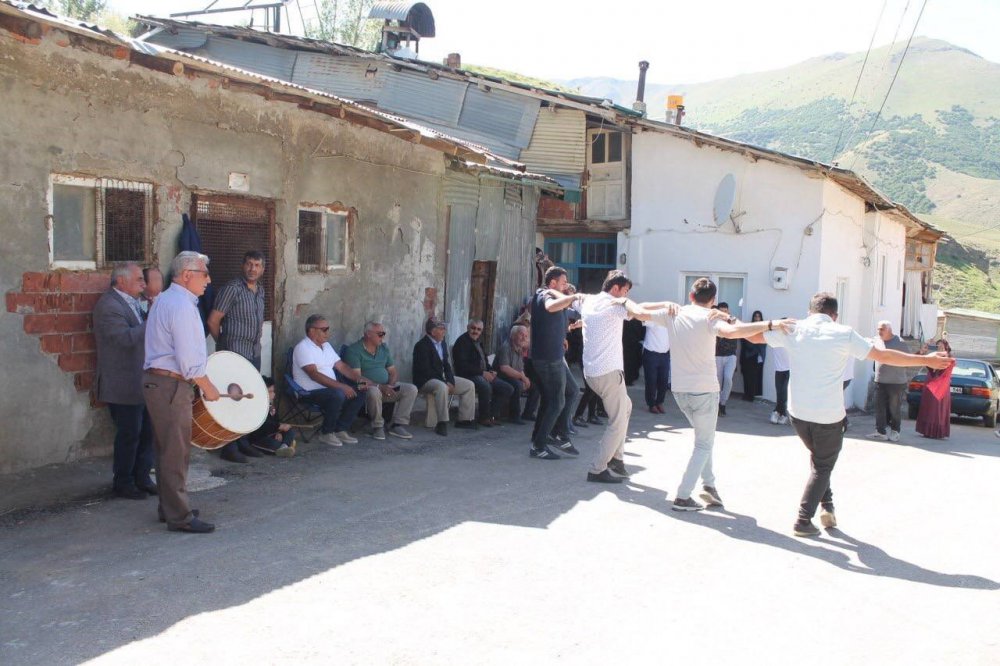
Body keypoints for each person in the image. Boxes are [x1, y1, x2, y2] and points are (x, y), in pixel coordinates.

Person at [755, 292, 952, 536]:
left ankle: (828, 508)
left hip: (798, 414)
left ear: (810, 312)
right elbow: (884, 355)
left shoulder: (794, 329)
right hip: (827, 416)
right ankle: (803, 520)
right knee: (822, 466)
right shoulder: (843, 333)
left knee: (819, 460)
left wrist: (759, 324)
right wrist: (925, 359)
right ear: (834, 315)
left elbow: (755, 338)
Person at [651, 278, 790, 511]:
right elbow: (734, 332)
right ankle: (683, 496)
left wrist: (628, 302)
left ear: (691, 295)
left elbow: (639, 311)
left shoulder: (674, 313)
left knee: (704, 440)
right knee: (704, 444)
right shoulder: (710, 318)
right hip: (703, 391)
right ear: (713, 301)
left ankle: (709, 487)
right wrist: (770, 324)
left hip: (680, 391)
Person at [143, 251, 220, 534]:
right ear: (187, 275)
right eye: (204, 274)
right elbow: (189, 362)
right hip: (171, 384)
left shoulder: (167, 299)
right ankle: (180, 516)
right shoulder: (182, 306)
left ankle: (170, 508)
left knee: (167, 449)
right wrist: (209, 389)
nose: (208, 280)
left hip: (160, 382)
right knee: (175, 451)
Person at [579, 271, 667, 483]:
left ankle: (616, 458)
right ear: (615, 289)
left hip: (591, 372)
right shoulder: (614, 305)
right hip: (609, 373)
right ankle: (598, 468)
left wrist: (663, 304)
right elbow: (640, 312)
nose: (626, 295)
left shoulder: (591, 301)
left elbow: (640, 306)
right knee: (617, 422)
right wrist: (665, 309)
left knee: (625, 406)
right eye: (625, 291)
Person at [93, 262, 155, 500]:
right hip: (122, 382)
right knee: (130, 434)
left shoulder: (132, 302)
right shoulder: (109, 306)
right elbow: (124, 339)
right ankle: (123, 482)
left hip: (141, 380)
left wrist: (149, 313)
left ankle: (142, 477)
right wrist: (153, 321)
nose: (144, 283)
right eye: (139, 279)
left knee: (147, 432)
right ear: (121, 281)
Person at [207, 250, 266, 463]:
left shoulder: (260, 291)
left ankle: (243, 443)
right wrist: (222, 345)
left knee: (247, 400)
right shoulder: (232, 288)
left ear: (262, 269)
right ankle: (229, 448)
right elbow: (213, 320)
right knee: (232, 400)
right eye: (249, 264)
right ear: (243, 266)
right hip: (234, 355)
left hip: (253, 354)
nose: (252, 269)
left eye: (257, 265)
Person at [528, 267, 581, 460]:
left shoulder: (557, 297)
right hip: (547, 359)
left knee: (571, 391)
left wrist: (567, 331)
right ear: (552, 283)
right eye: (563, 282)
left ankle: (554, 434)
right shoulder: (545, 295)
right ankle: (540, 444)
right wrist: (574, 298)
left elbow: (555, 319)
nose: (566, 285)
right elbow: (550, 307)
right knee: (556, 401)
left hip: (555, 356)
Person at [292, 314, 366, 447]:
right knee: (337, 395)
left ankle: (340, 429)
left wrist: (360, 380)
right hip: (308, 393)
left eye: (328, 329)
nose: (328, 332)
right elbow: (313, 374)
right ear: (312, 330)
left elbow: (342, 366)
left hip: (330, 390)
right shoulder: (303, 347)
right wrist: (341, 387)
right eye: (324, 329)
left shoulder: (326, 346)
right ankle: (326, 433)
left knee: (361, 391)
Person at [342, 321, 417, 441]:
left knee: (411, 389)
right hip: (364, 388)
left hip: (386, 387)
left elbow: (393, 372)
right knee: (374, 391)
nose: (383, 337)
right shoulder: (354, 350)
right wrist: (380, 387)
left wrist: (390, 385)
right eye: (380, 334)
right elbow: (357, 379)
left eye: (383, 333)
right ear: (368, 334)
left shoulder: (383, 348)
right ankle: (377, 426)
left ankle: (397, 424)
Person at [412, 318, 477, 436]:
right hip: (426, 380)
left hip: (442, 379)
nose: (444, 331)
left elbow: (446, 365)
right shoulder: (421, 346)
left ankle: (465, 420)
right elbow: (426, 370)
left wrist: (451, 380)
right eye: (441, 329)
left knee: (469, 385)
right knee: (442, 387)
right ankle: (442, 422)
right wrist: (445, 382)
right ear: (432, 331)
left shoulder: (442, 343)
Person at [453, 319, 515, 427]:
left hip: (482, 373)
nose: (475, 331)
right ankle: (483, 417)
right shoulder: (462, 342)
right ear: (468, 328)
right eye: (473, 328)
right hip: (468, 375)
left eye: (478, 329)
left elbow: (484, 360)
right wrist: (482, 373)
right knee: (485, 386)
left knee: (507, 388)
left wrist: (491, 370)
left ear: (481, 331)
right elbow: (462, 365)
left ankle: (491, 415)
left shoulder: (479, 342)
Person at [867, 320, 910, 442]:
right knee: (879, 407)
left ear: (889, 330)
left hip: (896, 382)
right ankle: (880, 431)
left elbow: (907, 360)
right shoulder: (877, 340)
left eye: (882, 329)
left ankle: (895, 431)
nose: (879, 331)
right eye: (878, 329)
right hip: (880, 380)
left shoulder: (900, 342)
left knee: (894, 408)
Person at [915, 338, 954, 439]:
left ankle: (937, 432)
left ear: (946, 347)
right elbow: (918, 359)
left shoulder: (948, 358)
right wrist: (923, 350)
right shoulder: (933, 357)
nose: (940, 347)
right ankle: (926, 431)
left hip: (941, 386)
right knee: (928, 407)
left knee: (937, 409)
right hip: (930, 383)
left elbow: (942, 370)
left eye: (942, 346)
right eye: (938, 346)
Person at [247, 377, 296, 457]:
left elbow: (276, 420)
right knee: (273, 444)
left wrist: (278, 432)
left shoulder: (271, 406)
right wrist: (279, 426)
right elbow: (262, 425)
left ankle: (284, 447)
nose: (274, 394)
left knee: (290, 431)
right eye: (270, 392)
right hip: (259, 437)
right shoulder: (255, 407)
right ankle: (284, 446)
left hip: (272, 433)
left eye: (273, 391)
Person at [495, 324, 530, 425]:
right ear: (513, 335)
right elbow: (504, 368)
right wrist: (522, 377)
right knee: (517, 384)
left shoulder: (519, 349)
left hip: (511, 376)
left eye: (525, 336)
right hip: (500, 375)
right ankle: (514, 415)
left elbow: (520, 368)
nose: (523, 338)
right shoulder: (506, 347)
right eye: (521, 334)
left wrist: (524, 379)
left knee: (534, 385)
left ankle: (528, 413)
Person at [714, 302, 739, 416]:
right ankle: (718, 404)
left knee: (728, 379)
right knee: (717, 382)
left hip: (730, 355)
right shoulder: (714, 322)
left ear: (728, 311)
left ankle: (723, 403)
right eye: (722, 311)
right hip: (717, 356)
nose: (724, 313)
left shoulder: (733, 321)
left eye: (726, 311)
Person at [642, 316, 671, 414]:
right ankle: (651, 404)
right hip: (651, 354)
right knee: (651, 380)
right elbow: (642, 318)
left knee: (663, 381)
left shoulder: (671, 323)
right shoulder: (652, 320)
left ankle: (659, 402)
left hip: (665, 355)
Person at [740, 310, 767, 402]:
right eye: (755, 316)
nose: (757, 318)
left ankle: (751, 395)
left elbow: (763, 342)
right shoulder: (750, 327)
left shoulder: (763, 328)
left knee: (754, 377)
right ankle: (746, 394)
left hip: (756, 356)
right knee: (746, 375)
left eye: (758, 317)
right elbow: (745, 339)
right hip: (747, 355)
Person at [770, 343, 790, 425]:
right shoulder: (774, 337)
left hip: (790, 369)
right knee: (779, 391)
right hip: (778, 369)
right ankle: (782, 414)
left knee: (784, 391)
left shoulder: (790, 336)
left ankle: (777, 411)